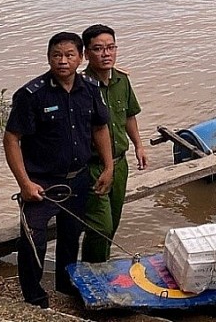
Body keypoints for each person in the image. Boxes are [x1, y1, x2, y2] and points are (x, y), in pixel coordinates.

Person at [3, 32, 113, 308]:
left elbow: (100, 128)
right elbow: (11, 139)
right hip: (41, 183)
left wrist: (109, 166)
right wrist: (25, 183)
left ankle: (66, 285)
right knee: (33, 241)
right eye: (56, 55)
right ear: (49, 57)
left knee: (70, 237)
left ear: (81, 57)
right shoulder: (32, 94)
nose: (63, 61)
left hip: (77, 180)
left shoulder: (90, 88)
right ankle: (33, 295)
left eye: (69, 55)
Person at [80, 24, 148, 263]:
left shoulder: (121, 80)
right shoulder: (79, 87)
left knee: (114, 221)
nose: (106, 53)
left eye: (110, 47)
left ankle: (102, 265)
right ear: (86, 54)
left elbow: (129, 115)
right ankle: (93, 270)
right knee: (101, 226)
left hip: (120, 164)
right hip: (93, 166)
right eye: (98, 49)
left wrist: (138, 145)